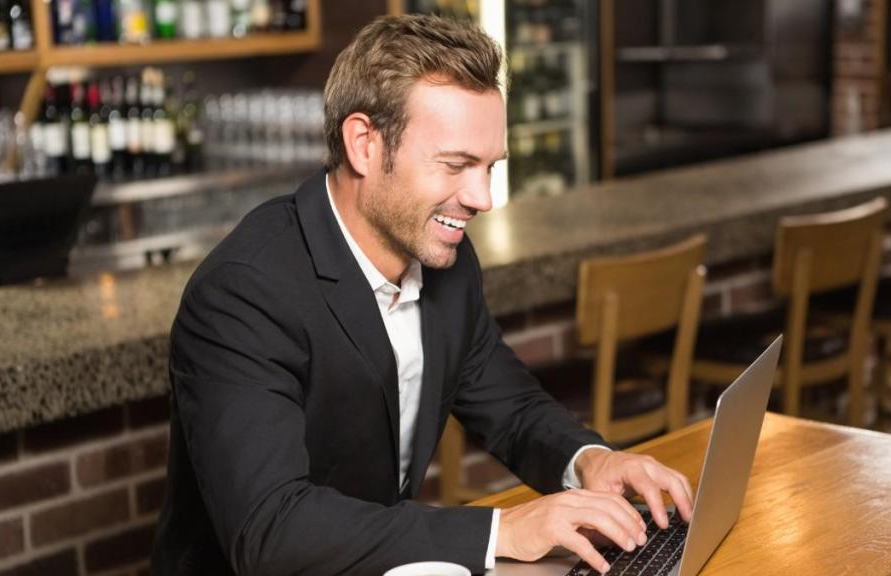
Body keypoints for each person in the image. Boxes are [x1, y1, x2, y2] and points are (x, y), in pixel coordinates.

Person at [151, 14, 693, 576]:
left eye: (489, 167)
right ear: (363, 143)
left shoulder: (444, 257)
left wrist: (592, 461)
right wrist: (505, 529)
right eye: (457, 165)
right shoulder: (244, 291)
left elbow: (510, 406)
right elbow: (272, 529)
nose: (482, 198)